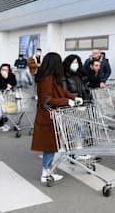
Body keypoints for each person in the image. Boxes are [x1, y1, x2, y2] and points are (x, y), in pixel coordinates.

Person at [30, 52, 82, 185]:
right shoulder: (47, 78)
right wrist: (66, 101)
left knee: (53, 145)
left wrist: (73, 97)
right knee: (49, 146)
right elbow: (46, 100)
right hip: (48, 117)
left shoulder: (52, 77)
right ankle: (45, 173)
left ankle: (49, 171)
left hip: (53, 116)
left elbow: (61, 91)